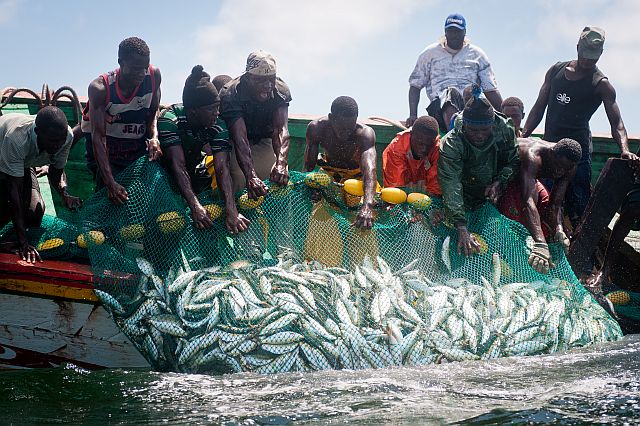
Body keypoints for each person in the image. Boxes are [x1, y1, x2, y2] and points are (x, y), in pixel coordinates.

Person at [522, 27, 639, 227]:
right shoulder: (556, 71)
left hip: (579, 154)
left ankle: (582, 251)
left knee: (580, 205)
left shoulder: (601, 84)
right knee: (544, 200)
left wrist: (625, 150)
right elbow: (538, 107)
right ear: (577, 48)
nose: (587, 62)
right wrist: (524, 134)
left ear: (600, 55)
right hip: (550, 150)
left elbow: (617, 123)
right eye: (585, 56)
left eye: (593, 59)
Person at [159, 65, 249, 234]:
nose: (217, 113)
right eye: (211, 109)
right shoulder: (170, 119)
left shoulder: (217, 124)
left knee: (207, 212)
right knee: (166, 222)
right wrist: (194, 205)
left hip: (193, 168)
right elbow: (178, 166)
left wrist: (231, 210)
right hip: (163, 173)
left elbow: (222, 168)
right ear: (193, 111)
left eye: (218, 107)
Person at [438, 87, 519, 256]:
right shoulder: (452, 143)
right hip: (461, 195)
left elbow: (513, 161)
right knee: (454, 248)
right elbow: (451, 183)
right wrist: (461, 226)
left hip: (491, 196)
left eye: (485, 130)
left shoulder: (504, 129)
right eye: (474, 130)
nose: (480, 136)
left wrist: (499, 182)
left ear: (492, 125)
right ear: (465, 124)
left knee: (493, 250)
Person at [82, 36, 162, 205]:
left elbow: (154, 112)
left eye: (144, 68)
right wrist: (110, 183)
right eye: (135, 69)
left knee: (141, 202)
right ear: (120, 62)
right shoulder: (100, 88)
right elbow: (98, 138)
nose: (141, 74)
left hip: (135, 149)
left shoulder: (154, 76)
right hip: (107, 152)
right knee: (109, 202)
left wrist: (154, 137)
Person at [0, 107, 82, 263]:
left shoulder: (67, 136)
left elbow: (55, 172)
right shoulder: (16, 139)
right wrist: (24, 244)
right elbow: (14, 196)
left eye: (61, 139)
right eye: (52, 140)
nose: (58, 145)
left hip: (24, 162)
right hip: (2, 153)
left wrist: (65, 194)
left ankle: (16, 235)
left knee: (34, 212)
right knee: (5, 209)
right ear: (38, 131)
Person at [497, 138, 582, 273]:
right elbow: (528, 201)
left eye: (564, 169)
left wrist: (559, 229)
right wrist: (540, 243)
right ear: (552, 154)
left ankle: (541, 256)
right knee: (515, 218)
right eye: (558, 166)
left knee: (544, 213)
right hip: (511, 178)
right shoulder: (533, 155)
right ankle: (512, 258)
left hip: (531, 180)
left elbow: (554, 205)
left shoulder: (570, 166)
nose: (560, 172)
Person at [407, 13, 503, 127]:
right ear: (445, 32)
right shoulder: (429, 53)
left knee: (475, 96)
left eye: (458, 31)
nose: (454, 35)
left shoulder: (478, 54)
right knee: (450, 94)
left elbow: (490, 90)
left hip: (472, 107)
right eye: (451, 31)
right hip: (439, 108)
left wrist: (505, 116)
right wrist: (413, 115)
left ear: (464, 32)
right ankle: (454, 132)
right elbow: (415, 86)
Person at [219, 50, 291, 197]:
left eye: (271, 79)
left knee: (279, 180)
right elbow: (240, 139)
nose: (268, 85)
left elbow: (280, 129)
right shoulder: (231, 93)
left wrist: (281, 163)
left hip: (265, 139)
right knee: (240, 178)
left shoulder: (280, 89)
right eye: (261, 80)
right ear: (248, 77)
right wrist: (250, 176)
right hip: (235, 142)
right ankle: (235, 216)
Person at [304, 96, 377, 228]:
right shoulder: (316, 128)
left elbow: (370, 171)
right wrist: (311, 189)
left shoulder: (365, 134)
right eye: (342, 129)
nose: (346, 134)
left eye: (350, 128)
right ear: (331, 118)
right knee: (320, 221)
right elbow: (308, 168)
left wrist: (367, 206)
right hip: (329, 177)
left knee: (364, 223)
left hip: (357, 180)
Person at [382, 115, 441, 196]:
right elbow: (396, 187)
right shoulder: (397, 148)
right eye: (420, 143)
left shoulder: (437, 149)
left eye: (428, 145)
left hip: (425, 195)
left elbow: (435, 188)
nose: (424, 149)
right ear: (411, 134)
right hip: (401, 189)